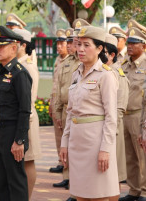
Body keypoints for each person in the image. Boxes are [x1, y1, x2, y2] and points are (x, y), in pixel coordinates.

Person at [60, 26, 119, 200]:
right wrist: (64, 142)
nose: (81, 49)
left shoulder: (106, 76)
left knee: (99, 194)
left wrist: (105, 149)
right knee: (80, 194)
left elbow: (111, 116)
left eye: (86, 45)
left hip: (96, 143)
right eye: (79, 45)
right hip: (77, 143)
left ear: (100, 48)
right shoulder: (76, 74)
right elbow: (71, 113)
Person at [0, 26, 31, 201]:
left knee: (16, 181)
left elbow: (25, 110)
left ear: (14, 48)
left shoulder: (19, 73)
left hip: (12, 133)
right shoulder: (0, 72)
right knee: (2, 181)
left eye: (2, 46)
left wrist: (19, 140)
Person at [13, 28, 41, 199]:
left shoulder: (27, 67)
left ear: (23, 45)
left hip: (26, 120)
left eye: (13, 42)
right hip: (17, 119)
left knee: (28, 161)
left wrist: (22, 127)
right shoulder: (15, 65)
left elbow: (28, 100)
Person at [120, 21, 146, 201]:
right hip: (125, 116)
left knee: (142, 157)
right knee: (130, 156)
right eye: (128, 43)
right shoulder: (125, 65)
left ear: (143, 46)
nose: (129, 46)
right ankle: (134, 190)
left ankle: (144, 191)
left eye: (133, 43)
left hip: (140, 116)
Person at [53, 29, 80, 195]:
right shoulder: (66, 61)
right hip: (64, 108)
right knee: (64, 146)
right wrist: (56, 110)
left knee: (75, 147)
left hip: (77, 110)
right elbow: (59, 87)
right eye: (68, 42)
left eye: (72, 42)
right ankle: (67, 176)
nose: (69, 46)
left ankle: (76, 183)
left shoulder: (83, 61)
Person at [105, 33, 129, 190]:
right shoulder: (100, 72)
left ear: (112, 55)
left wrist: (110, 131)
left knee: (113, 176)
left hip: (112, 131)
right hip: (100, 130)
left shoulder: (116, 74)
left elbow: (119, 108)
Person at [49, 29, 69, 174]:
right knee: (58, 135)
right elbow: (55, 84)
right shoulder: (58, 60)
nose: (59, 46)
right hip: (56, 102)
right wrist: (51, 102)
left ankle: (67, 166)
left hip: (66, 105)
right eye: (58, 43)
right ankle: (61, 162)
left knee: (66, 136)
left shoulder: (72, 61)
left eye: (62, 43)